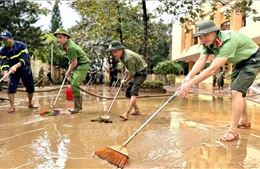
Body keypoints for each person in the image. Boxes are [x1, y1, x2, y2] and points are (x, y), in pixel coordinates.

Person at [177, 20, 260, 142]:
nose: (203, 39)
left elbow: (213, 69)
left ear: (215, 31)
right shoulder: (208, 44)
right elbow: (201, 61)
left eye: (205, 35)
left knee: (236, 91)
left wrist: (191, 84)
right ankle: (245, 121)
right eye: (200, 36)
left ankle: (233, 131)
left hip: (253, 59)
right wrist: (188, 77)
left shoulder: (229, 40)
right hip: (239, 62)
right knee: (237, 91)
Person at [107, 40, 147, 120]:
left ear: (120, 49)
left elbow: (132, 75)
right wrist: (127, 69)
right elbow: (130, 66)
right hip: (136, 70)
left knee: (133, 92)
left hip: (141, 72)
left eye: (115, 52)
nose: (114, 54)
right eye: (112, 52)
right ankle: (137, 111)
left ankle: (127, 113)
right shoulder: (122, 55)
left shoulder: (128, 57)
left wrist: (125, 81)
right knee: (128, 92)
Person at [0, 30, 38, 113]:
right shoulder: (3, 50)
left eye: (6, 40)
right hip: (13, 71)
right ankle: (12, 107)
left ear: (12, 39)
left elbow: (24, 59)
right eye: (3, 40)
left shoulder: (21, 46)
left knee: (30, 87)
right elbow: (4, 63)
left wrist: (16, 66)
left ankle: (30, 103)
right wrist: (5, 74)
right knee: (11, 88)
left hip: (25, 69)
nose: (4, 42)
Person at [54, 28, 90, 114]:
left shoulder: (71, 47)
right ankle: (78, 106)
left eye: (60, 37)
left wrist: (68, 71)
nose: (58, 40)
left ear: (66, 37)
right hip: (77, 65)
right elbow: (72, 60)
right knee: (72, 82)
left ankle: (77, 107)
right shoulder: (66, 46)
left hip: (82, 65)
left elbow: (74, 62)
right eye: (57, 38)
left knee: (74, 84)